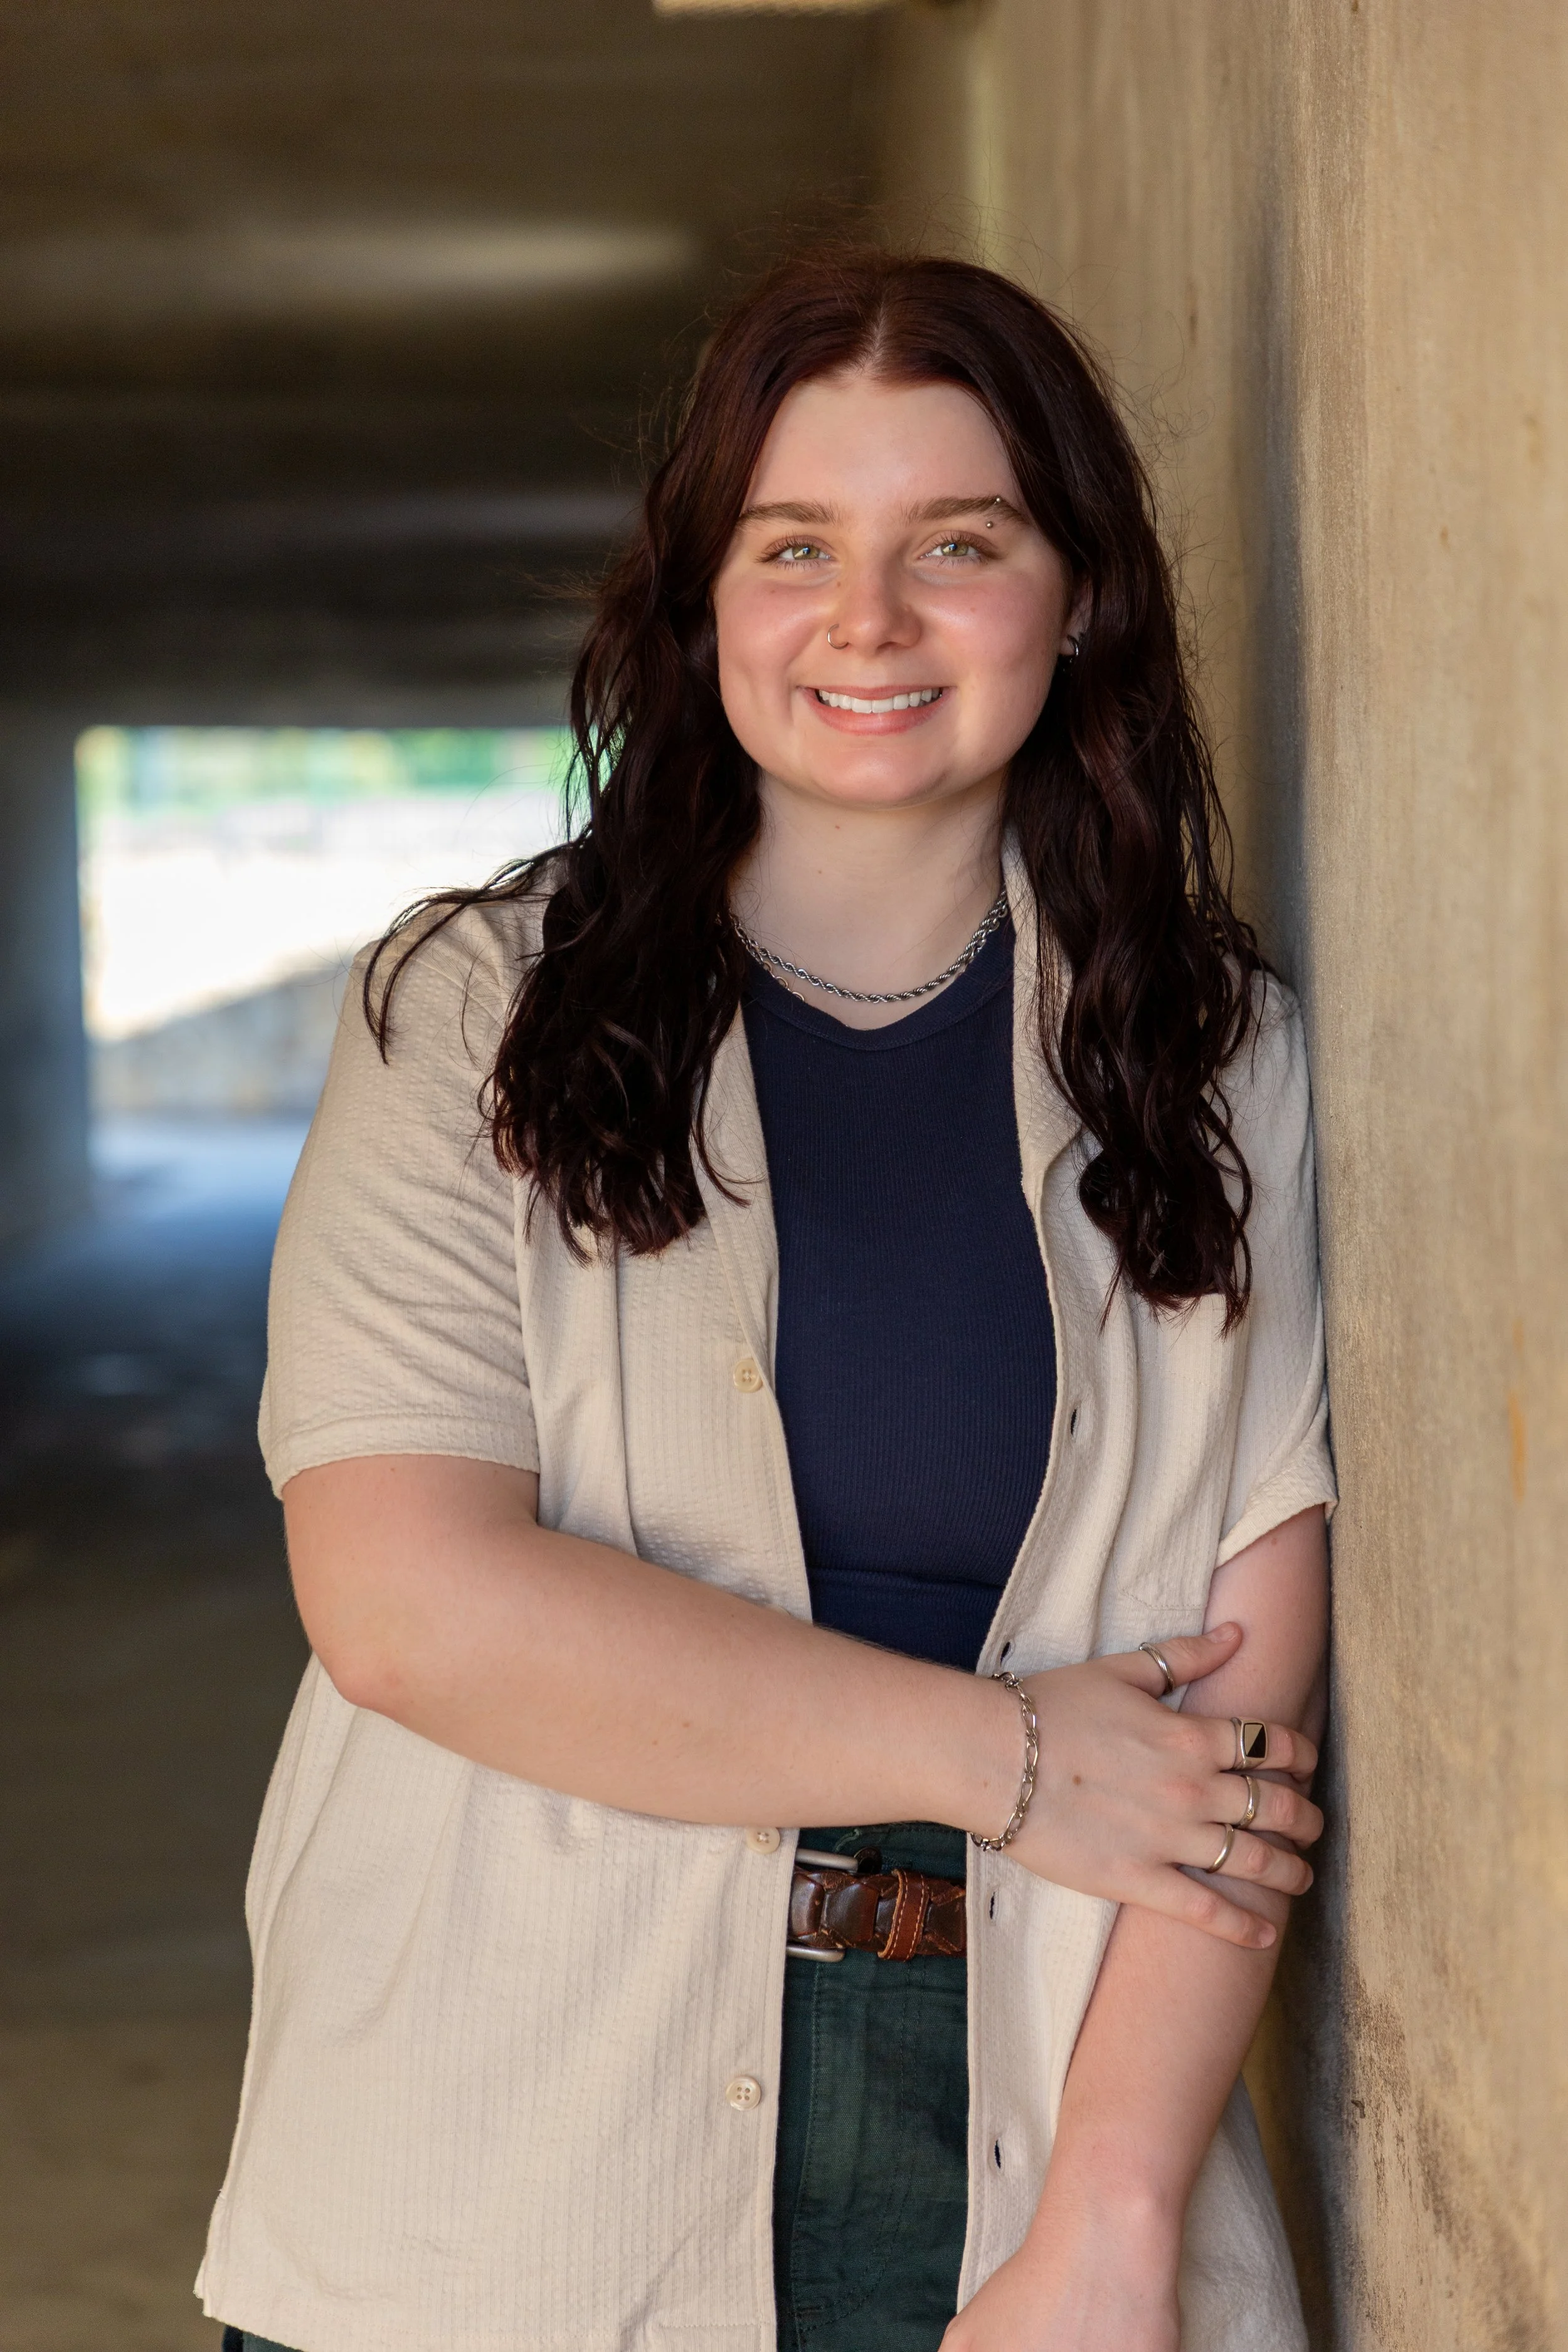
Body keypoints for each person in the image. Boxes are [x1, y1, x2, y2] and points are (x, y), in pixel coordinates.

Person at [201, 248, 1335, 2352]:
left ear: (1076, 594)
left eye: (958, 544)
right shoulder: (473, 1016)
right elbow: (406, 1602)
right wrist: (1001, 1754)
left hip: (1028, 2112)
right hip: (506, 2137)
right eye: (794, 543)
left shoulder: (1217, 1056)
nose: (868, 617)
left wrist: (1108, 2220)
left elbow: (1236, 1713)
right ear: (704, 599)